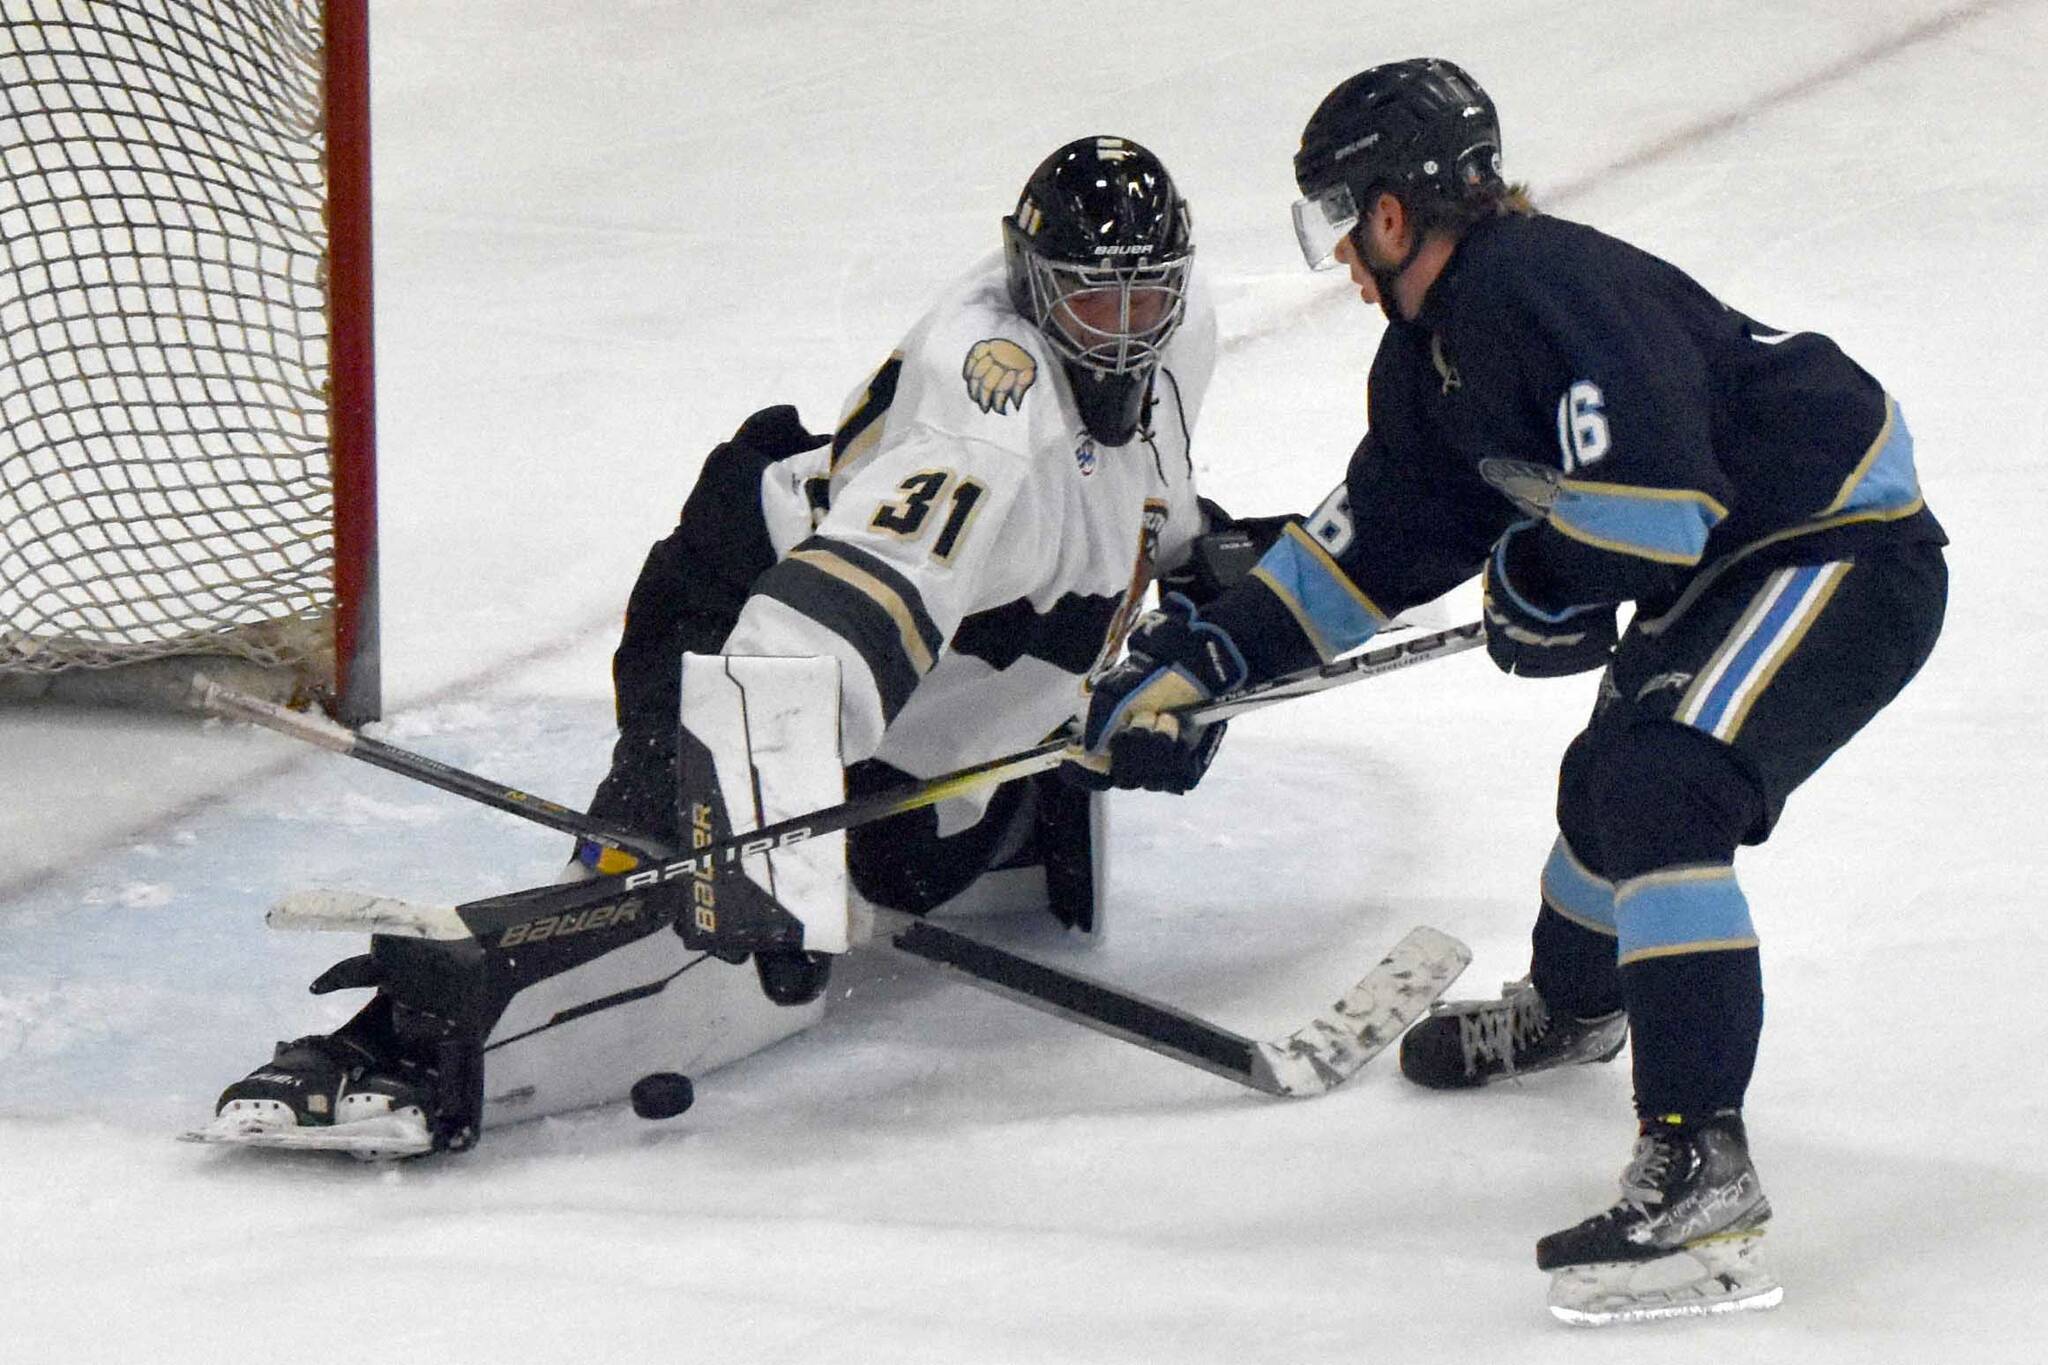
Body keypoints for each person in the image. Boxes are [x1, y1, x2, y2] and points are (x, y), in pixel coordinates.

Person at [1069, 59, 1947, 1323]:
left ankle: (1702, 1171)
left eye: (1337, 219)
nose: (1338, 260)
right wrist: (1198, 662)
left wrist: (1539, 580)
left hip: (1838, 550)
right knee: (1605, 785)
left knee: (1660, 786)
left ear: (1387, 211)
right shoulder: (1437, 354)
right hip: (1733, 564)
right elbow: (1363, 548)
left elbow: (1653, 506)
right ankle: (1575, 1012)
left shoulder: (1541, 282)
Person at [200, 135, 1258, 1156]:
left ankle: (947, 821)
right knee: (680, 894)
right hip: (740, 600)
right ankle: (392, 1046)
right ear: (1032, 283)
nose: (1123, 331)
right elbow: (834, 617)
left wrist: (1196, 608)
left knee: (902, 869)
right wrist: (750, 831)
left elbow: (1117, 494)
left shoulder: (1178, 331)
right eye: (1092, 299)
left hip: (944, 668)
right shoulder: (981, 422)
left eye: (1145, 298)